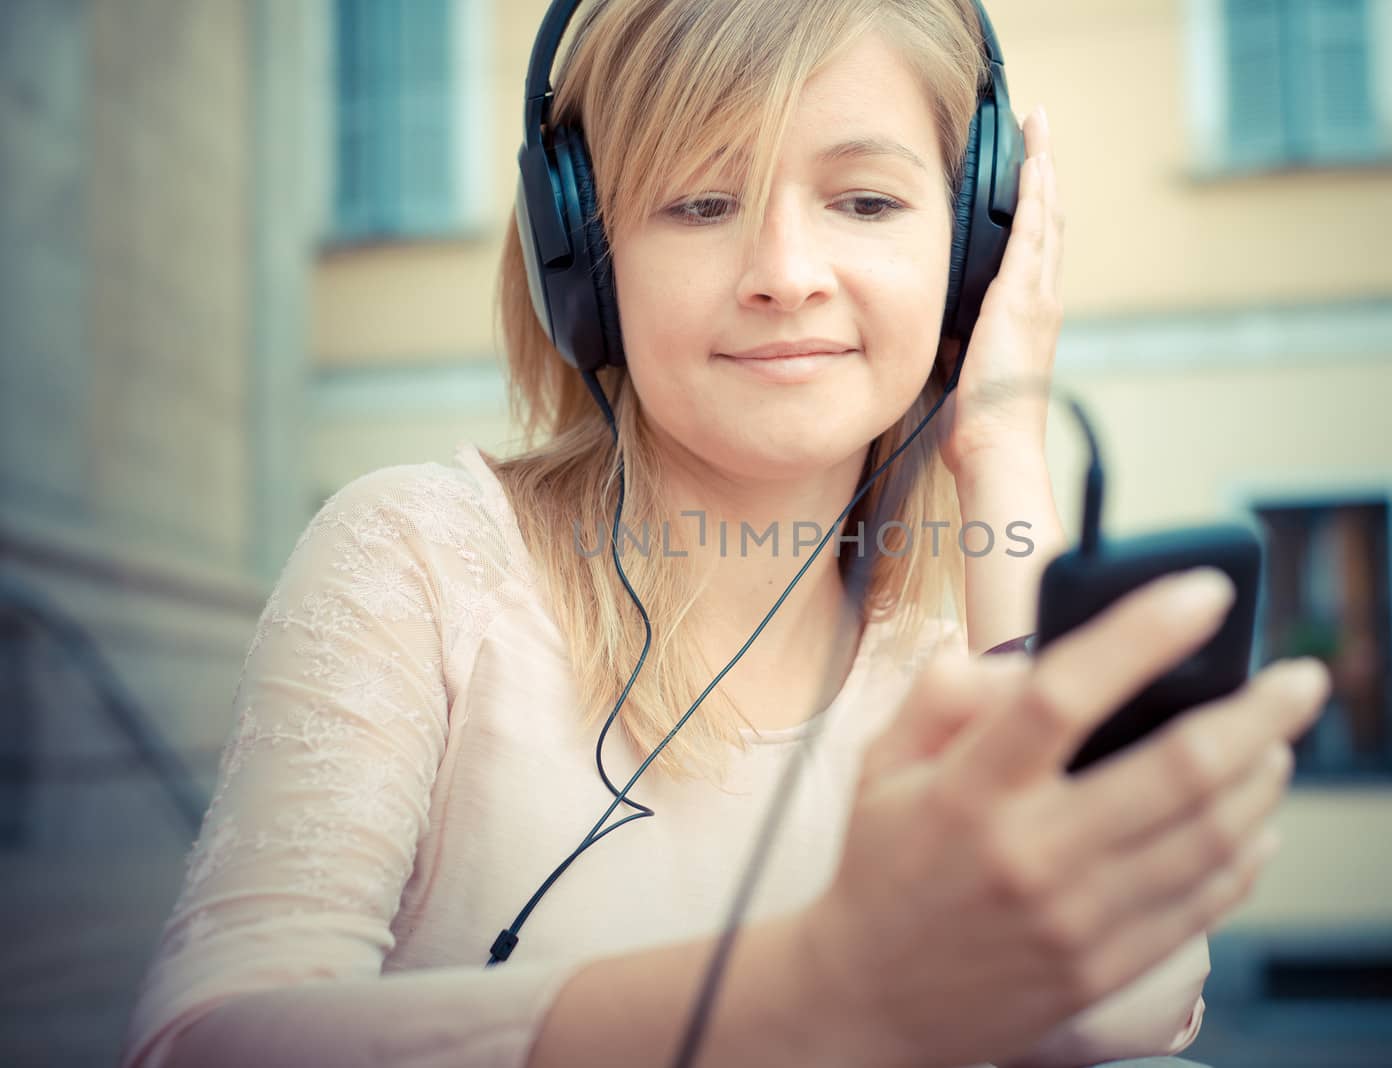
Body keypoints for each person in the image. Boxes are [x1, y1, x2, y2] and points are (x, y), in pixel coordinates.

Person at [117, 1, 1329, 1066]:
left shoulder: (949, 654)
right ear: (579, 258)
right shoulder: (420, 560)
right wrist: (815, 996)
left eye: (864, 199)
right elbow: (204, 1042)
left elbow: (1127, 1013)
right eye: (699, 202)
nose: (784, 272)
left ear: (972, 252)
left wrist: (1002, 442)